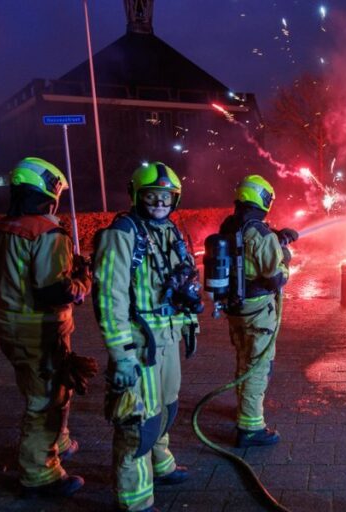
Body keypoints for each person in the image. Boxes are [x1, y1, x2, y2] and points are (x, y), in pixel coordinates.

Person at [92, 162, 200, 512]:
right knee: (138, 420)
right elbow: (110, 297)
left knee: (167, 406)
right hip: (140, 344)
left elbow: (177, 281)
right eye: (152, 196)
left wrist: (189, 318)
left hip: (167, 337)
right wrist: (121, 354)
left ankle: (161, 464)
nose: (159, 203)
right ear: (138, 195)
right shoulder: (122, 233)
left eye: (166, 196)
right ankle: (135, 499)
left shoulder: (170, 230)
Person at [0, 157, 94, 497]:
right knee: (44, 400)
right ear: (50, 189)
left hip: (10, 325)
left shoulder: (2, 228)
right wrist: (82, 280)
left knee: (45, 388)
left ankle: (57, 441)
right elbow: (54, 291)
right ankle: (39, 473)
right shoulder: (47, 232)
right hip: (41, 329)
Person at [218, 175, 296, 448]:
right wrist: (286, 256)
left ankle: (244, 408)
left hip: (236, 308)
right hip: (258, 311)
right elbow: (276, 277)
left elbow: (248, 252)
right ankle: (250, 427)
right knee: (258, 366)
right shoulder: (260, 233)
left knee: (244, 358)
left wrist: (277, 238)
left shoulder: (231, 224)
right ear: (263, 200)